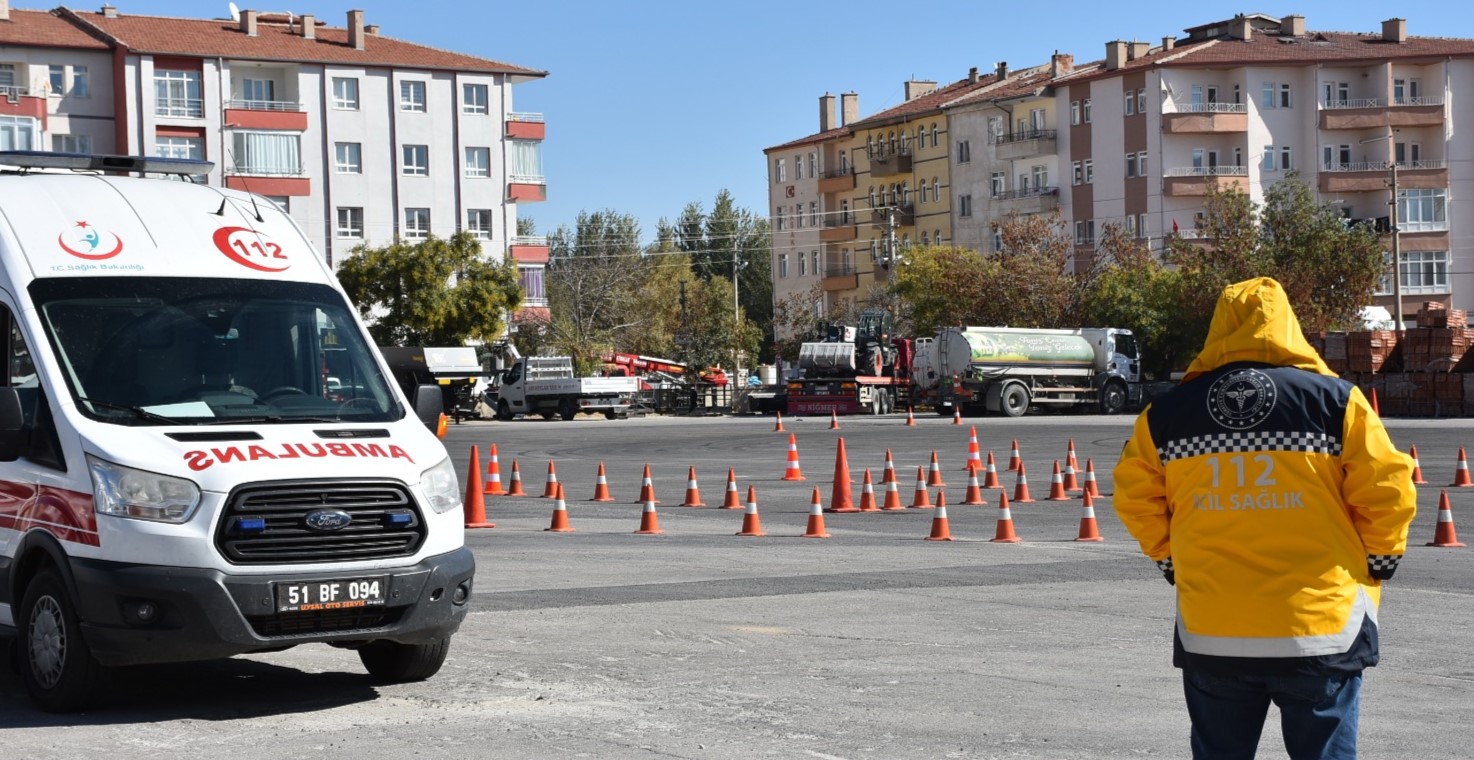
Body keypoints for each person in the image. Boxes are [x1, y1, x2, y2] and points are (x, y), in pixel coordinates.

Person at [1113, 277, 1417, 760]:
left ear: (1218, 330)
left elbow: (1135, 496)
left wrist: (1168, 558)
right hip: (1319, 630)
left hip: (1215, 629)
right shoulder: (1336, 403)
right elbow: (1387, 488)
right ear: (1288, 326)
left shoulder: (1166, 414)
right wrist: (1381, 557)